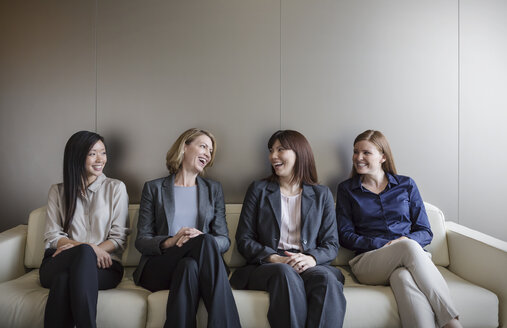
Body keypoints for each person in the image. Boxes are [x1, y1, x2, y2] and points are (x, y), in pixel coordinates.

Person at [336, 129, 462, 328]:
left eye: (366, 152)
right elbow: (345, 235)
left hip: (409, 261)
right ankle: (452, 323)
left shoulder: (406, 185)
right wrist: (387, 244)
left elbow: (425, 231)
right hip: (369, 262)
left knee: (403, 277)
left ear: (383, 157)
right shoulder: (347, 189)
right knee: (408, 246)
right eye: (355, 152)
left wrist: (402, 243)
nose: (358, 157)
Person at [230, 130, 346, 328]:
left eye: (280, 149)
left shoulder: (321, 194)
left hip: (307, 264)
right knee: (285, 272)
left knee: (326, 278)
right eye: (271, 150)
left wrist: (311, 259)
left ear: (299, 153)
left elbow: (331, 244)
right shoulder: (258, 190)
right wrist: (276, 258)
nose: (273, 156)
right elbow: (245, 239)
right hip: (269, 265)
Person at [133, 128, 241, 328]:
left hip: (198, 266)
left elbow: (224, 240)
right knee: (202, 244)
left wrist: (201, 238)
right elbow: (142, 240)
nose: (208, 154)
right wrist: (171, 241)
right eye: (203, 146)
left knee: (189, 266)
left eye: (210, 151)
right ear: (184, 147)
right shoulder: (154, 188)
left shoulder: (213, 190)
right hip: (160, 266)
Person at [41, 130, 129, 328]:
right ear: (76, 156)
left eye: (103, 152)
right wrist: (90, 248)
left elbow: (118, 239)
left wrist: (89, 250)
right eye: (92, 153)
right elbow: (53, 236)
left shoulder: (116, 188)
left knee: (65, 279)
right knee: (81, 254)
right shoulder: (58, 191)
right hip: (58, 262)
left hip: (104, 267)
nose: (100, 159)